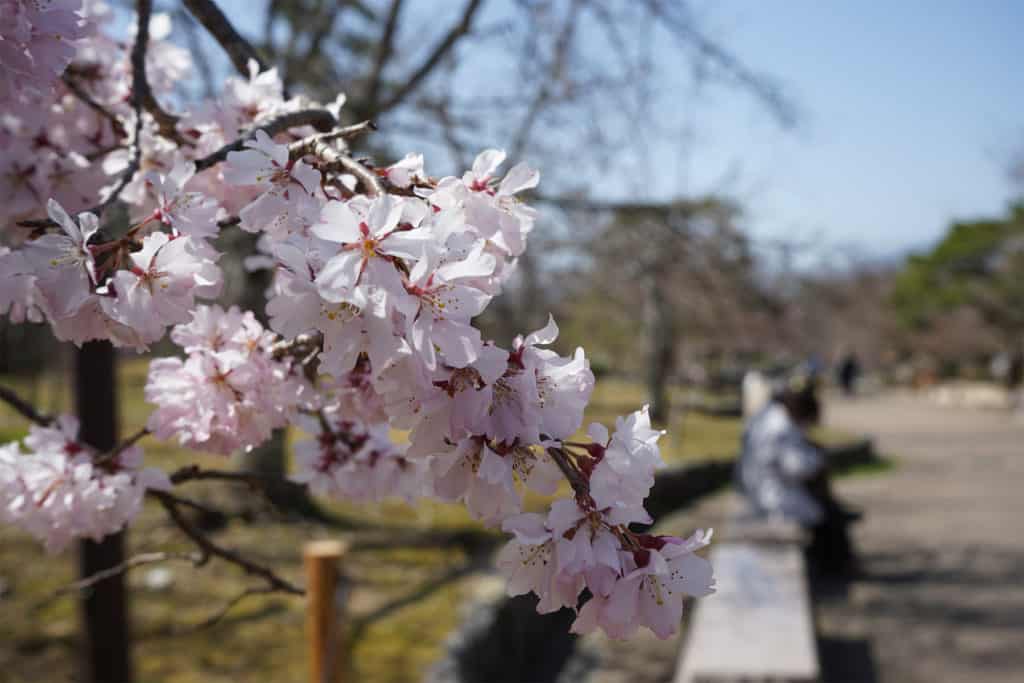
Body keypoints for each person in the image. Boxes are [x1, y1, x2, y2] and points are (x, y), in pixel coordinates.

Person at [736, 377, 858, 577]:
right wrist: (819, 458)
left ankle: (831, 561)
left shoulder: (773, 417)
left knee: (826, 510)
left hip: (763, 488)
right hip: (772, 496)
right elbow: (797, 467)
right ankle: (833, 567)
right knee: (825, 517)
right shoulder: (780, 427)